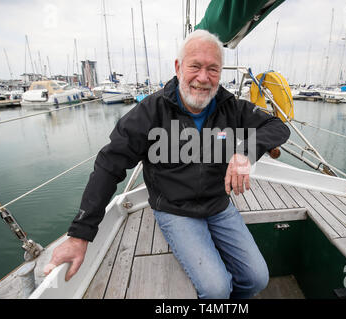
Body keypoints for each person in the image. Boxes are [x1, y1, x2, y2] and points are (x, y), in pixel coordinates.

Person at [44, 29, 290, 299]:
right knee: (216, 289)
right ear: (178, 67)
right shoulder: (150, 112)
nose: (203, 78)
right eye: (195, 66)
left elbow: (277, 126)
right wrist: (80, 235)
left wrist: (246, 152)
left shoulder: (230, 107)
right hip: (175, 210)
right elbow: (109, 165)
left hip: (219, 205)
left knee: (257, 279)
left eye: (213, 69)